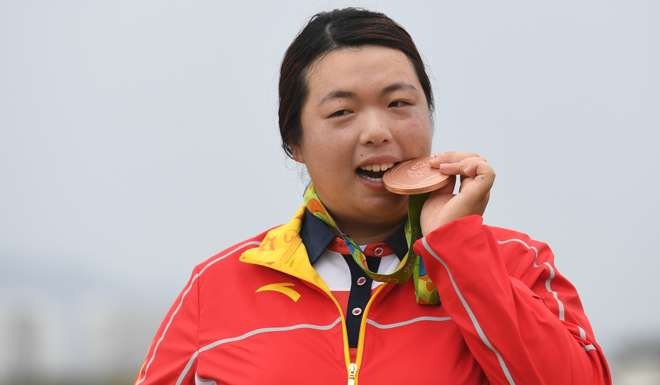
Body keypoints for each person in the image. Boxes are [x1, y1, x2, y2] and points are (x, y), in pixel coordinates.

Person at [134, 8, 611, 385]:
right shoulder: (216, 287)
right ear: (294, 142)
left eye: (399, 103)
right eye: (342, 111)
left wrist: (459, 250)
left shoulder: (514, 264)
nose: (377, 131)